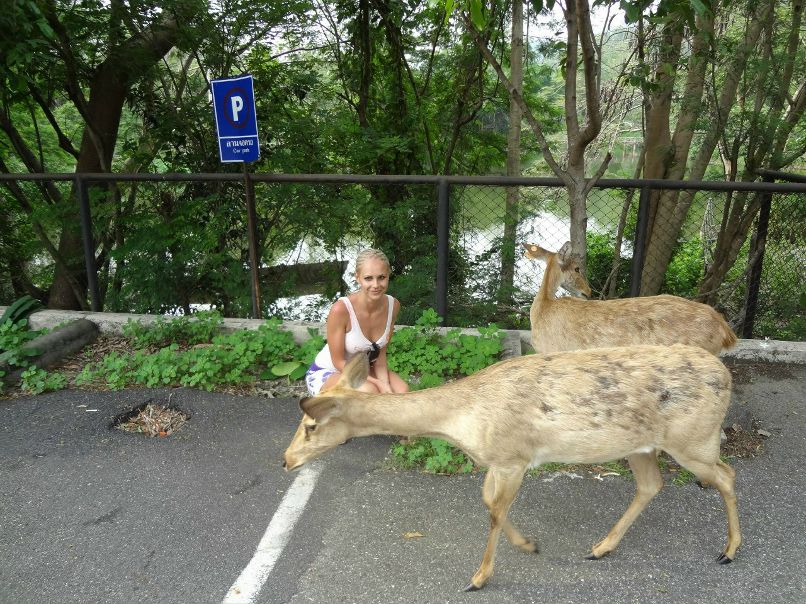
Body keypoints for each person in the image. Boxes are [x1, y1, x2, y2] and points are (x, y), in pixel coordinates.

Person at [305, 249, 410, 396]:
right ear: (357, 277)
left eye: (381, 277)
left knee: (401, 391)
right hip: (330, 372)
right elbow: (338, 362)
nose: (376, 284)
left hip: (363, 369)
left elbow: (380, 355)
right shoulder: (341, 309)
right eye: (368, 278)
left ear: (388, 275)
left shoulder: (393, 306)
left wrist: (385, 385)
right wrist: (378, 384)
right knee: (369, 392)